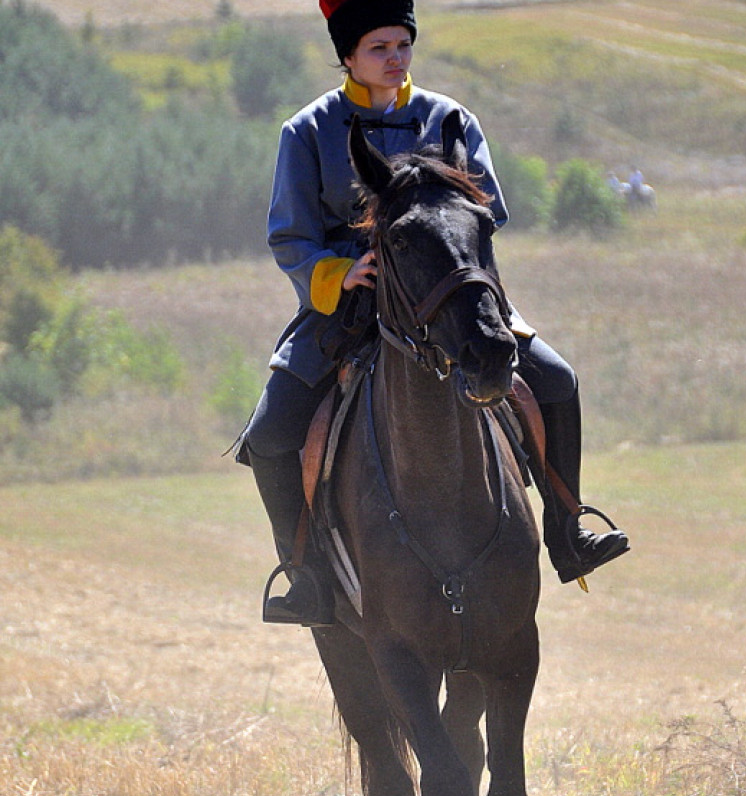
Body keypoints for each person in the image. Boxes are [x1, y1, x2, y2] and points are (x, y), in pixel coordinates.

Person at [235, 0, 629, 627]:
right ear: (348, 55)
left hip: (449, 295)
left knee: (557, 381)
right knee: (271, 435)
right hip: (350, 302)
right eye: (378, 48)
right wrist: (341, 270)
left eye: (402, 45)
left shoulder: (451, 118)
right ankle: (305, 577)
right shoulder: (306, 131)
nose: (394, 59)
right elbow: (290, 237)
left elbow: (487, 212)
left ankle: (566, 528)